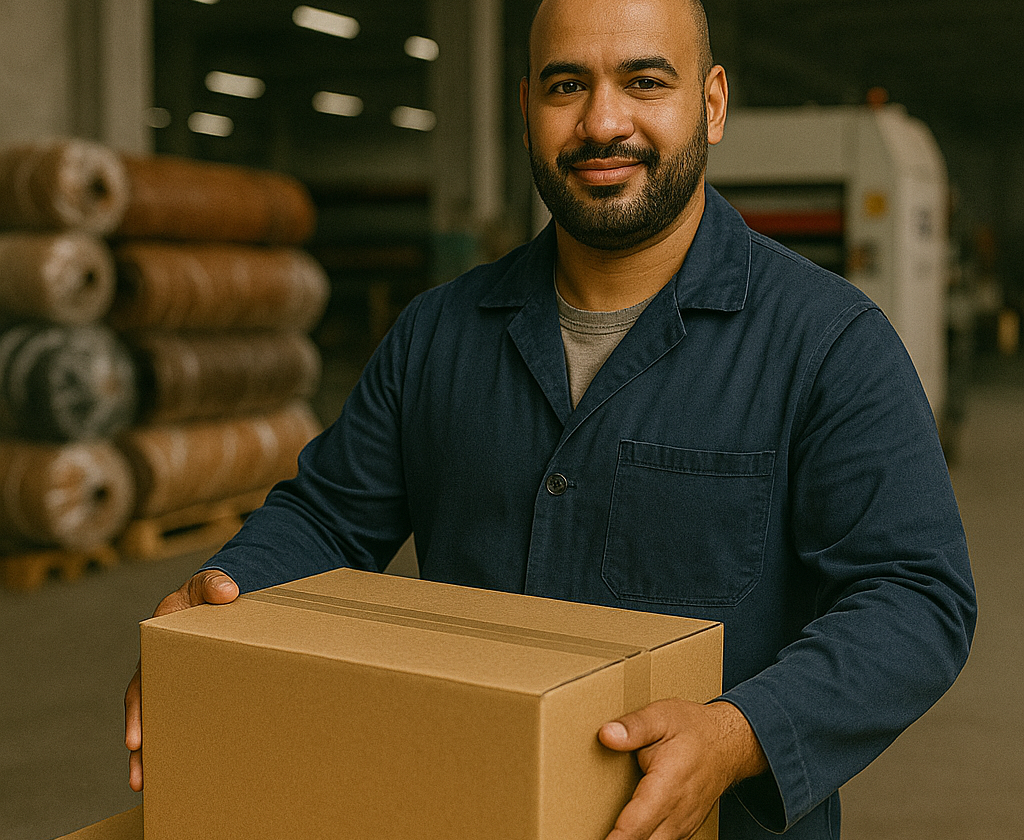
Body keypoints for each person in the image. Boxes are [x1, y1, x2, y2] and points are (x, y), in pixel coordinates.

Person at [124, 0, 977, 837]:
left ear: (711, 104)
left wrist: (739, 734)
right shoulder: (438, 335)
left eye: (645, 81)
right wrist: (223, 601)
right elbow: (327, 517)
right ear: (526, 106)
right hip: (468, 802)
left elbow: (914, 595)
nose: (604, 123)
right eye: (568, 86)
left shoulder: (827, 344)